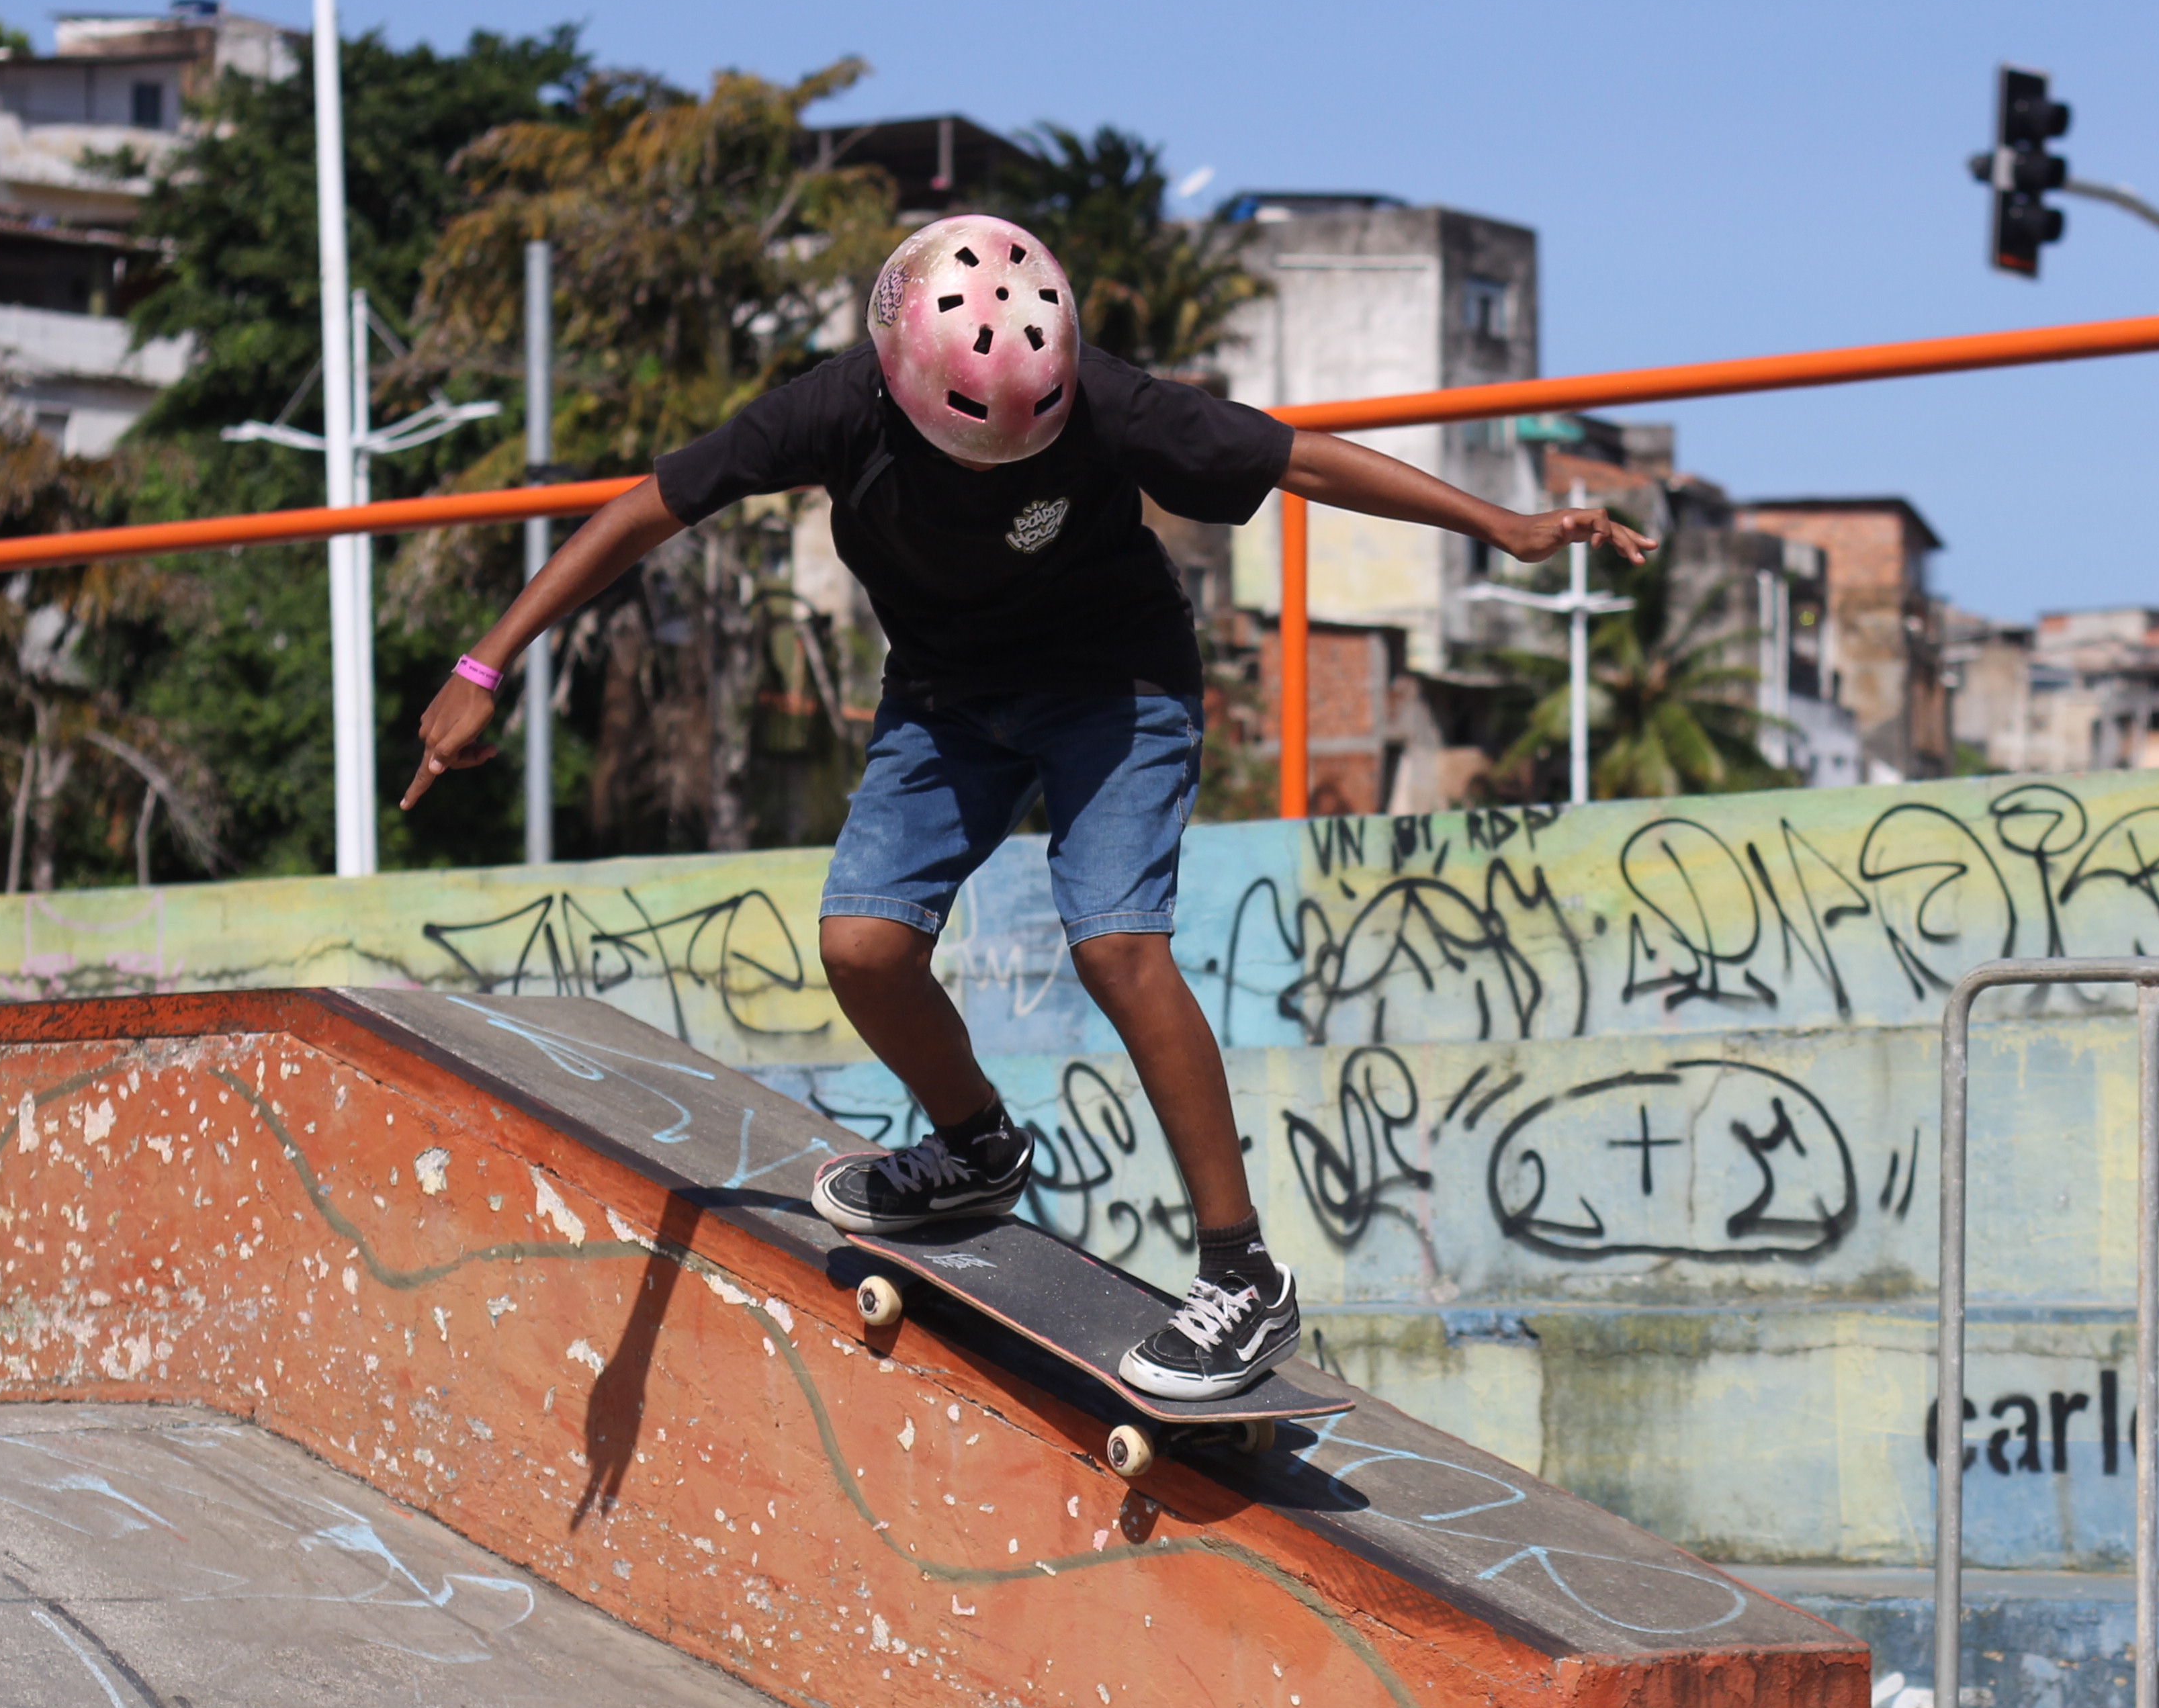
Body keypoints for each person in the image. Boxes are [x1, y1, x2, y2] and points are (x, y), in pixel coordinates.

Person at [400, 214, 1646, 1397]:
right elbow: (644, 510)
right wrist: (483, 664)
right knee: (862, 947)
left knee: (1116, 945)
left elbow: (1295, 455)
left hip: (1118, 685)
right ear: (897, 380)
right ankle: (975, 1148)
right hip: (946, 697)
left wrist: (1504, 524)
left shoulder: (1110, 399)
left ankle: (1243, 1272)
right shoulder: (832, 406)